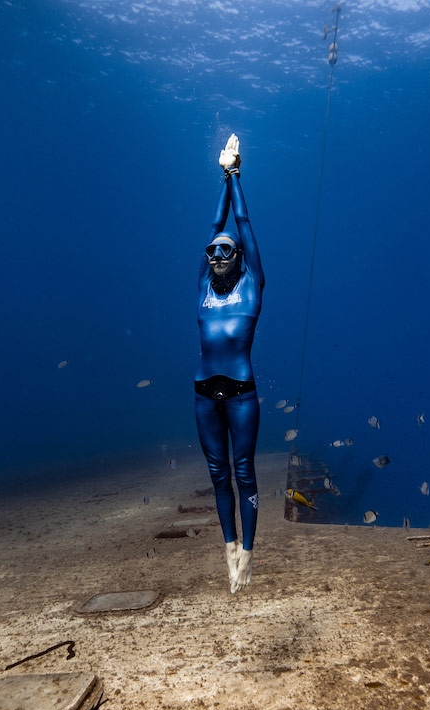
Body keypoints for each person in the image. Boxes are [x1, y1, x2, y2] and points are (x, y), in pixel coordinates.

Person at [196, 133, 265, 594]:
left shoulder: (253, 284)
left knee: (243, 473)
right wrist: (220, 176)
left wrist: (235, 173)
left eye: (226, 250)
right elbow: (216, 222)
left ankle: (249, 550)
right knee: (218, 475)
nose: (218, 254)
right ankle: (227, 545)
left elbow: (237, 219)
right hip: (203, 394)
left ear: (240, 257)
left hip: (241, 393)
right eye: (213, 250)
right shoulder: (202, 284)